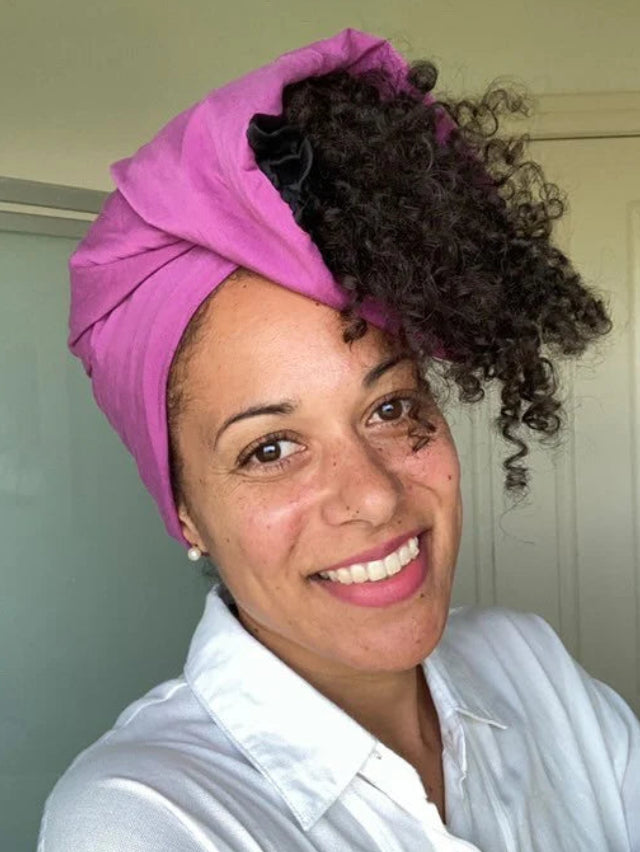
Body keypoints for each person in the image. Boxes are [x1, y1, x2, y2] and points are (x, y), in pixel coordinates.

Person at [38, 28, 639, 852]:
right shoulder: (139, 819)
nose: (374, 496)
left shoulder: (530, 666)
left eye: (389, 408)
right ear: (184, 512)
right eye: (270, 448)